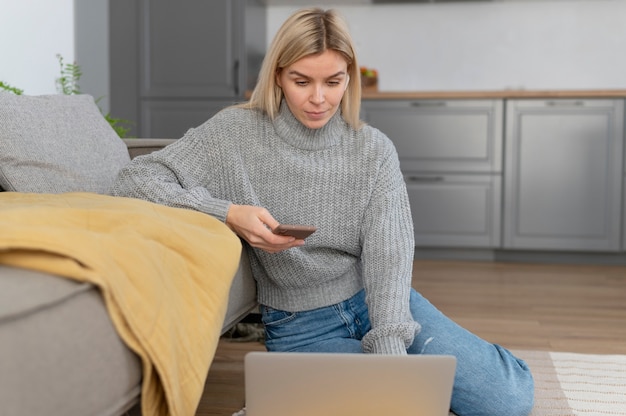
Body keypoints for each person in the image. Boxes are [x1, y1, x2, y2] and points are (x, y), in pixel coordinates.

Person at [111, 8, 534, 416]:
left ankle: (467, 365)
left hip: (378, 302)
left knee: (506, 401)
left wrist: (390, 347)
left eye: (333, 82)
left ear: (349, 78)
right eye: (301, 81)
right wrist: (226, 212)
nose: (318, 99)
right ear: (278, 74)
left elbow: (389, 254)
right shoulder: (232, 133)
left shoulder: (373, 149)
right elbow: (135, 179)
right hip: (299, 324)